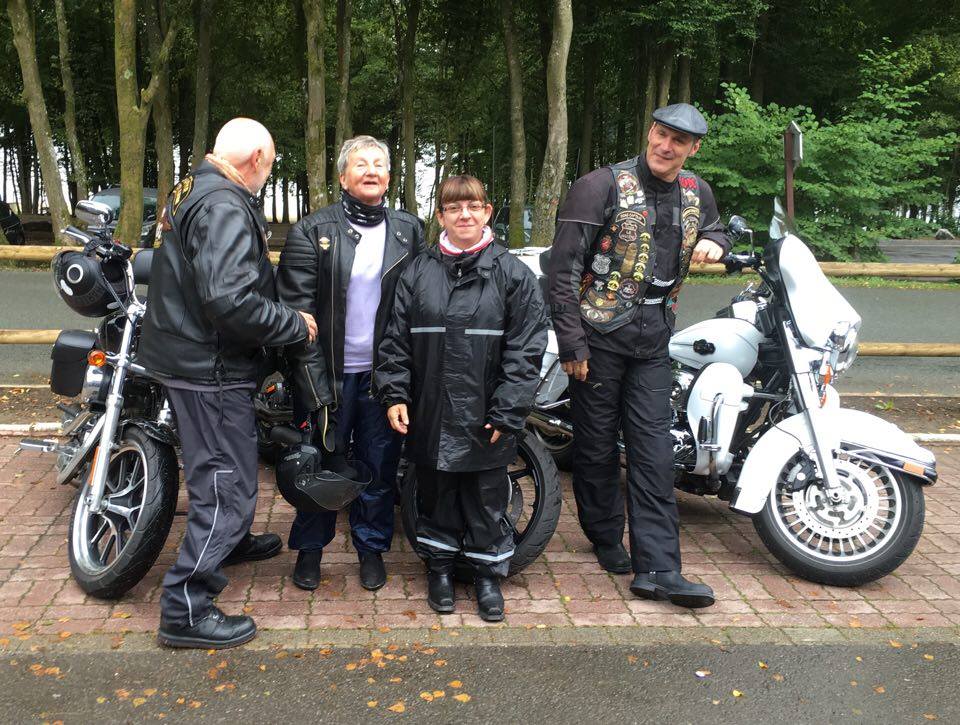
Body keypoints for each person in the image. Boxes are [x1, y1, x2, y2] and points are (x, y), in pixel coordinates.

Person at [140, 118, 317, 648]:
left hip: (188, 356)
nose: (269, 172)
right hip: (210, 368)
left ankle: (230, 543)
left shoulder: (193, 187)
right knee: (228, 486)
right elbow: (229, 300)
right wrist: (294, 323)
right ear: (257, 158)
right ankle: (186, 607)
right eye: (271, 163)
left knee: (222, 473)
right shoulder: (224, 205)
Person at [547, 103, 730, 609]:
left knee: (654, 452)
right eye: (660, 134)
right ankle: (605, 535)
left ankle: (659, 568)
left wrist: (714, 241)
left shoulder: (697, 191)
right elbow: (562, 270)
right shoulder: (599, 186)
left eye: (678, 140)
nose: (665, 146)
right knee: (597, 445)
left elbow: (717, 229)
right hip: (598, 336)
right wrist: (572, 343)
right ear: (649, 131)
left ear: (694, 148)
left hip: (654, 341)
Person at [375, 175, 547, 621]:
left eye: (472, 206)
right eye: (454, 208)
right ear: (441, 217)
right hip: (430, 409)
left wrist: (508, 410)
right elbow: (394, 340)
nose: (464, 215)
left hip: (487, 414)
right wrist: (394, 393)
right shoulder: (417, 272)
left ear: (487, 212)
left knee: (486, 499)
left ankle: (488, 576)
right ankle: (440, 571)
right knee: (436, 495)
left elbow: (526, 350)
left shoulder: (513, 274)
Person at [276, 135, 426, 592]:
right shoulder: (312, 230)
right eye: (360, 164)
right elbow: (297, 317)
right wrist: (315, 387)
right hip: (326, 374)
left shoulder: (409, 230)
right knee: (320, 464)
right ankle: (310, 550)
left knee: (379, 465)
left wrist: (404, 379)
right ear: (343, 177)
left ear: (389, 177)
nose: (371, 170)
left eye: (379, 163)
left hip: (383, 376)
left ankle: (371, 548)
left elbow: (419, 306)